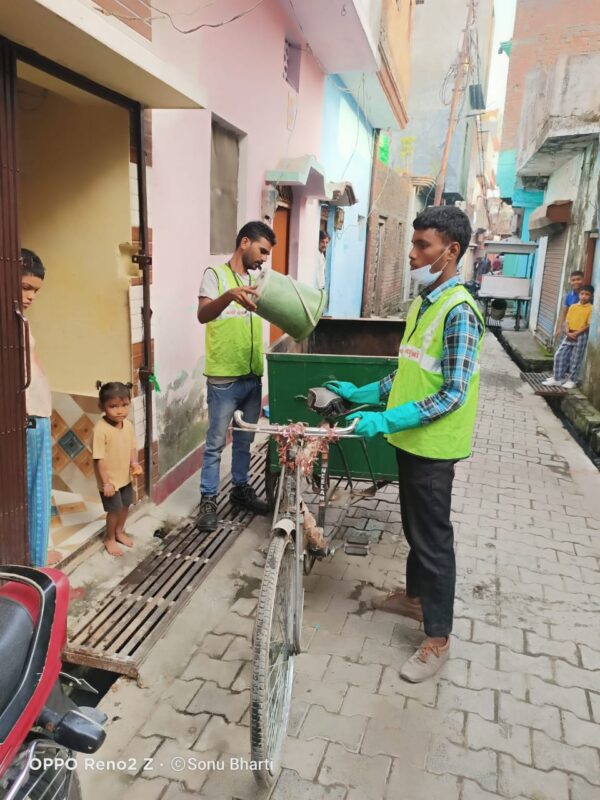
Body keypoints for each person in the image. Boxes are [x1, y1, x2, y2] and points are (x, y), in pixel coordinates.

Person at [325, 206, 484, 683]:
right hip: (412, 440)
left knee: (433, 540)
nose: (412, 254)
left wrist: (387, 419)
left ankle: (438, 638)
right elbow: (409, 372)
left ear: (450, 251)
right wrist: (363, 393)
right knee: (416, 529)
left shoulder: (459, 312)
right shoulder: (424, 304)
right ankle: (414, 599)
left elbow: (452, 393)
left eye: (422, 246)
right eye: (413, 244)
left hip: (434, 447)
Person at [196, 221, 276, 532]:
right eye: (262, 251)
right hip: (224, 379)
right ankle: (208, 499)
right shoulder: (215, 276)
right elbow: (203, 315)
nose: (263, 259)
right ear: (244, 242)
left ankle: (240, 489)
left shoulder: (259, 280)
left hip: (252, 377)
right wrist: (229, 295)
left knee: (244, 441)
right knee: (216, 442)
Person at [21, 249, 60, 567]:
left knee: (35, 490)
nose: (31, 296)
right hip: (29, 415)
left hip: (36, 412)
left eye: (35, 290)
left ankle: (35, 556)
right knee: (36, 491)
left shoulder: (18, 320)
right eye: (25, 287)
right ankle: (36, 564)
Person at [92, 381, 142, 557]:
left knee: (125, 505)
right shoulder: (100, 430)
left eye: (124, 405)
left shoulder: (127, 425)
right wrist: (106, 483)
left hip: (125, 477)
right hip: (110, 482)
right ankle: (109, 538)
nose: (120, 411)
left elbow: (132, 447)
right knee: (114, 510)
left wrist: (134, 463)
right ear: (102, 406)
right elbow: (99, 459)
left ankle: (119, 531)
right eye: (113, 406)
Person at [542, 285, 594, 389]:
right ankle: (557, 378)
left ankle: (572, 380)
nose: (584, 296)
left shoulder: (591, 308)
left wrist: (576, 333)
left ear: (591, 296)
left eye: (587, 294)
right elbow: (567, 320)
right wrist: (567, 332)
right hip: (569, 333)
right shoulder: (573, 307)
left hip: (581, 336)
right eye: (582, 294)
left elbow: (588, 325)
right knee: (559, 355)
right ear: (579, 295)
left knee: (575, 359)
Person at [554, 270, 584, 339]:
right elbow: (563, 313)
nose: (576, 282)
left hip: (582, 331)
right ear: (570, 282)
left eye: (578, 279)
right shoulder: (568, 296)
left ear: (583, 280)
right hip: (569, 329)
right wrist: (559, 328)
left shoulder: (587, 295)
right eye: (573, 280)